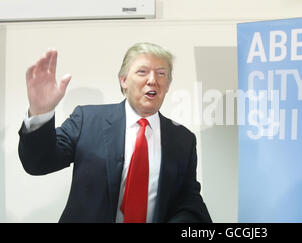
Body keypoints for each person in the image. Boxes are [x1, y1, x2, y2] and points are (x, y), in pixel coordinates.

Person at [18, 42, 212, 223]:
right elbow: (38, 163)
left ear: (168, 85)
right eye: (142, 71)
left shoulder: (183, 140)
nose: (152, 80)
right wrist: (40, 113)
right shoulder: (88, 120)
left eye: (161, 73)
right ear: (124, 80)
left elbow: (188, 198)